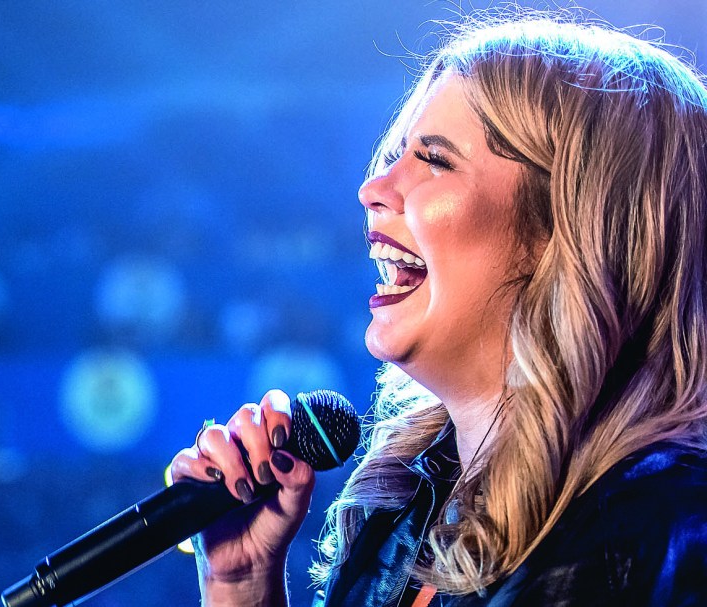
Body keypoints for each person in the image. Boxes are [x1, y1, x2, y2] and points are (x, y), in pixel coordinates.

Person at [169, 10, 707, 606]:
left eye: (434, 160)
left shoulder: (664, 538)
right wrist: (241, 585)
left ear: (572, 232)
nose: (372, 189)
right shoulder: (401, 510)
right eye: (397, 154)